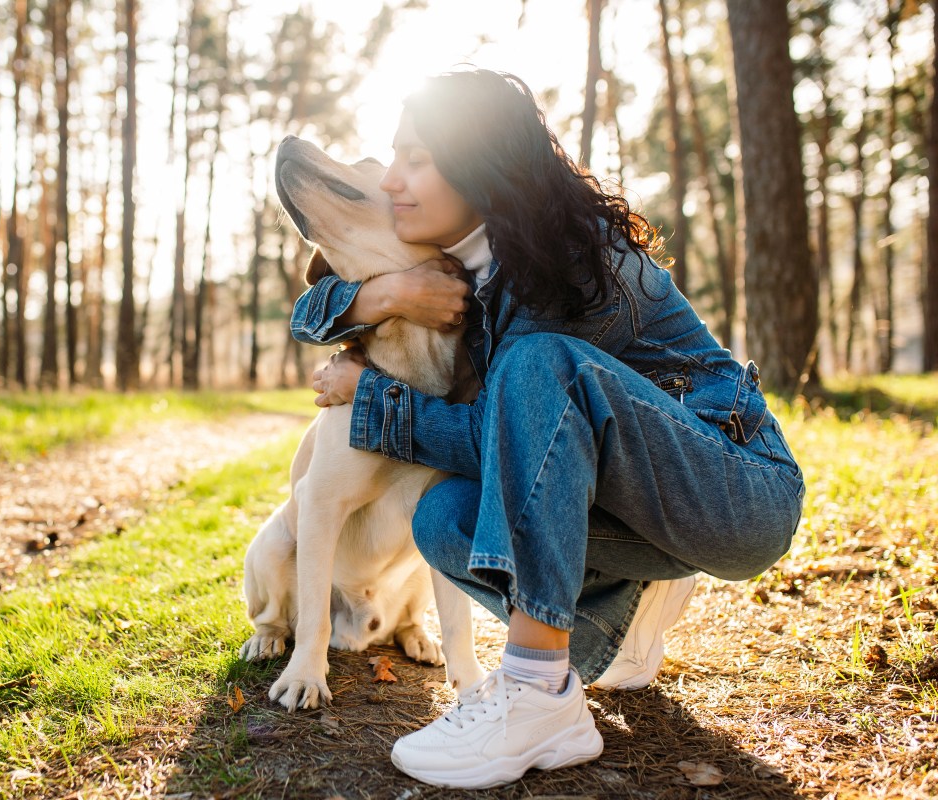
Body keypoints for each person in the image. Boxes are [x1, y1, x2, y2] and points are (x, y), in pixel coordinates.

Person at [292, 67, 805, 790]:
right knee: (444, 517)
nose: (393, 181)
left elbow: (511, 440)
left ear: (478, 166)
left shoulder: (566, 263)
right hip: (638, 502)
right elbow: (309, 313)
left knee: (536, 368)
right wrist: (390, 291)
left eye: (416, 159)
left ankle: (538, 694)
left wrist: (373, 398)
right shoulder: (469, 271)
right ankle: (627, 613)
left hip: (737, 490)